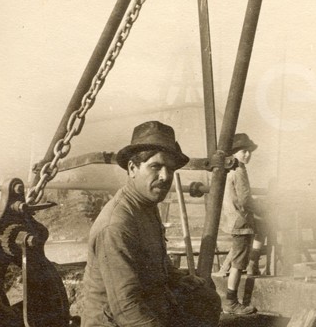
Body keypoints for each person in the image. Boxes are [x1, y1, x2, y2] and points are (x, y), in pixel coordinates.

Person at [81, 121, 221, 327]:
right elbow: (126, 308)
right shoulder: (117, 225)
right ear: (132, 168)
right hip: (118, 321)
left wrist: (177, 278)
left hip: (149, 307)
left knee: (205, 298)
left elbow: (155, 262)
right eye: (155, 166)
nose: (165, 176)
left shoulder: (146, 205)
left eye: (170, 169)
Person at [218, 133, 265, 315]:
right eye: (243, 151)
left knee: (238, 258)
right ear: (234, 153)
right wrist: (260, 208)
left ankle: (252, 266)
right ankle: (231, 302)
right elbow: (245, 199)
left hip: (232, 219)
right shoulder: (239, 170)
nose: (247, 155)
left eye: (249, 151)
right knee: (238, 264)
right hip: (241, 222)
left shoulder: (228, 170)